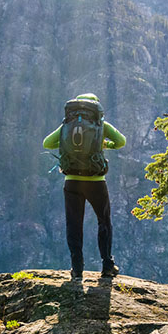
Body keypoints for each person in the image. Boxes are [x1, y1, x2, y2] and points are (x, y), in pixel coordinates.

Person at [43, 93, 126, 282]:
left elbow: (47, 143)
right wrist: (104, 144)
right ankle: (107, 266)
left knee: (74, 224)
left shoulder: (67, 125)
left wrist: (66, 144)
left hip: (71, 181)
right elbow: (121, 141)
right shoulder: (101, 125)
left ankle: (77, 268)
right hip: (96, 180)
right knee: (103, 221)